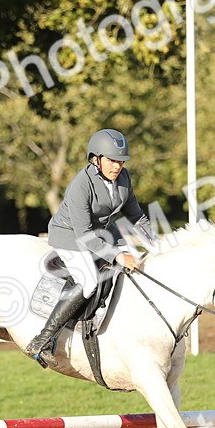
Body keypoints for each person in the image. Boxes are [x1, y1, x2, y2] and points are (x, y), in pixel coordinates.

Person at [25, 128, 156, 364]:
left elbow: (136, 217)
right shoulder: (81, 185)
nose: (117, 166)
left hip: (102, 234)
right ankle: (43, 339)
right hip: (70, 236)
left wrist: (156, 244)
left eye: (121, 161)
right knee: (88, 282)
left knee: (139, 265)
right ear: (96, 159)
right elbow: (84, 235)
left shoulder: (124, 179)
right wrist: (117, 255)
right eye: (112, 160)